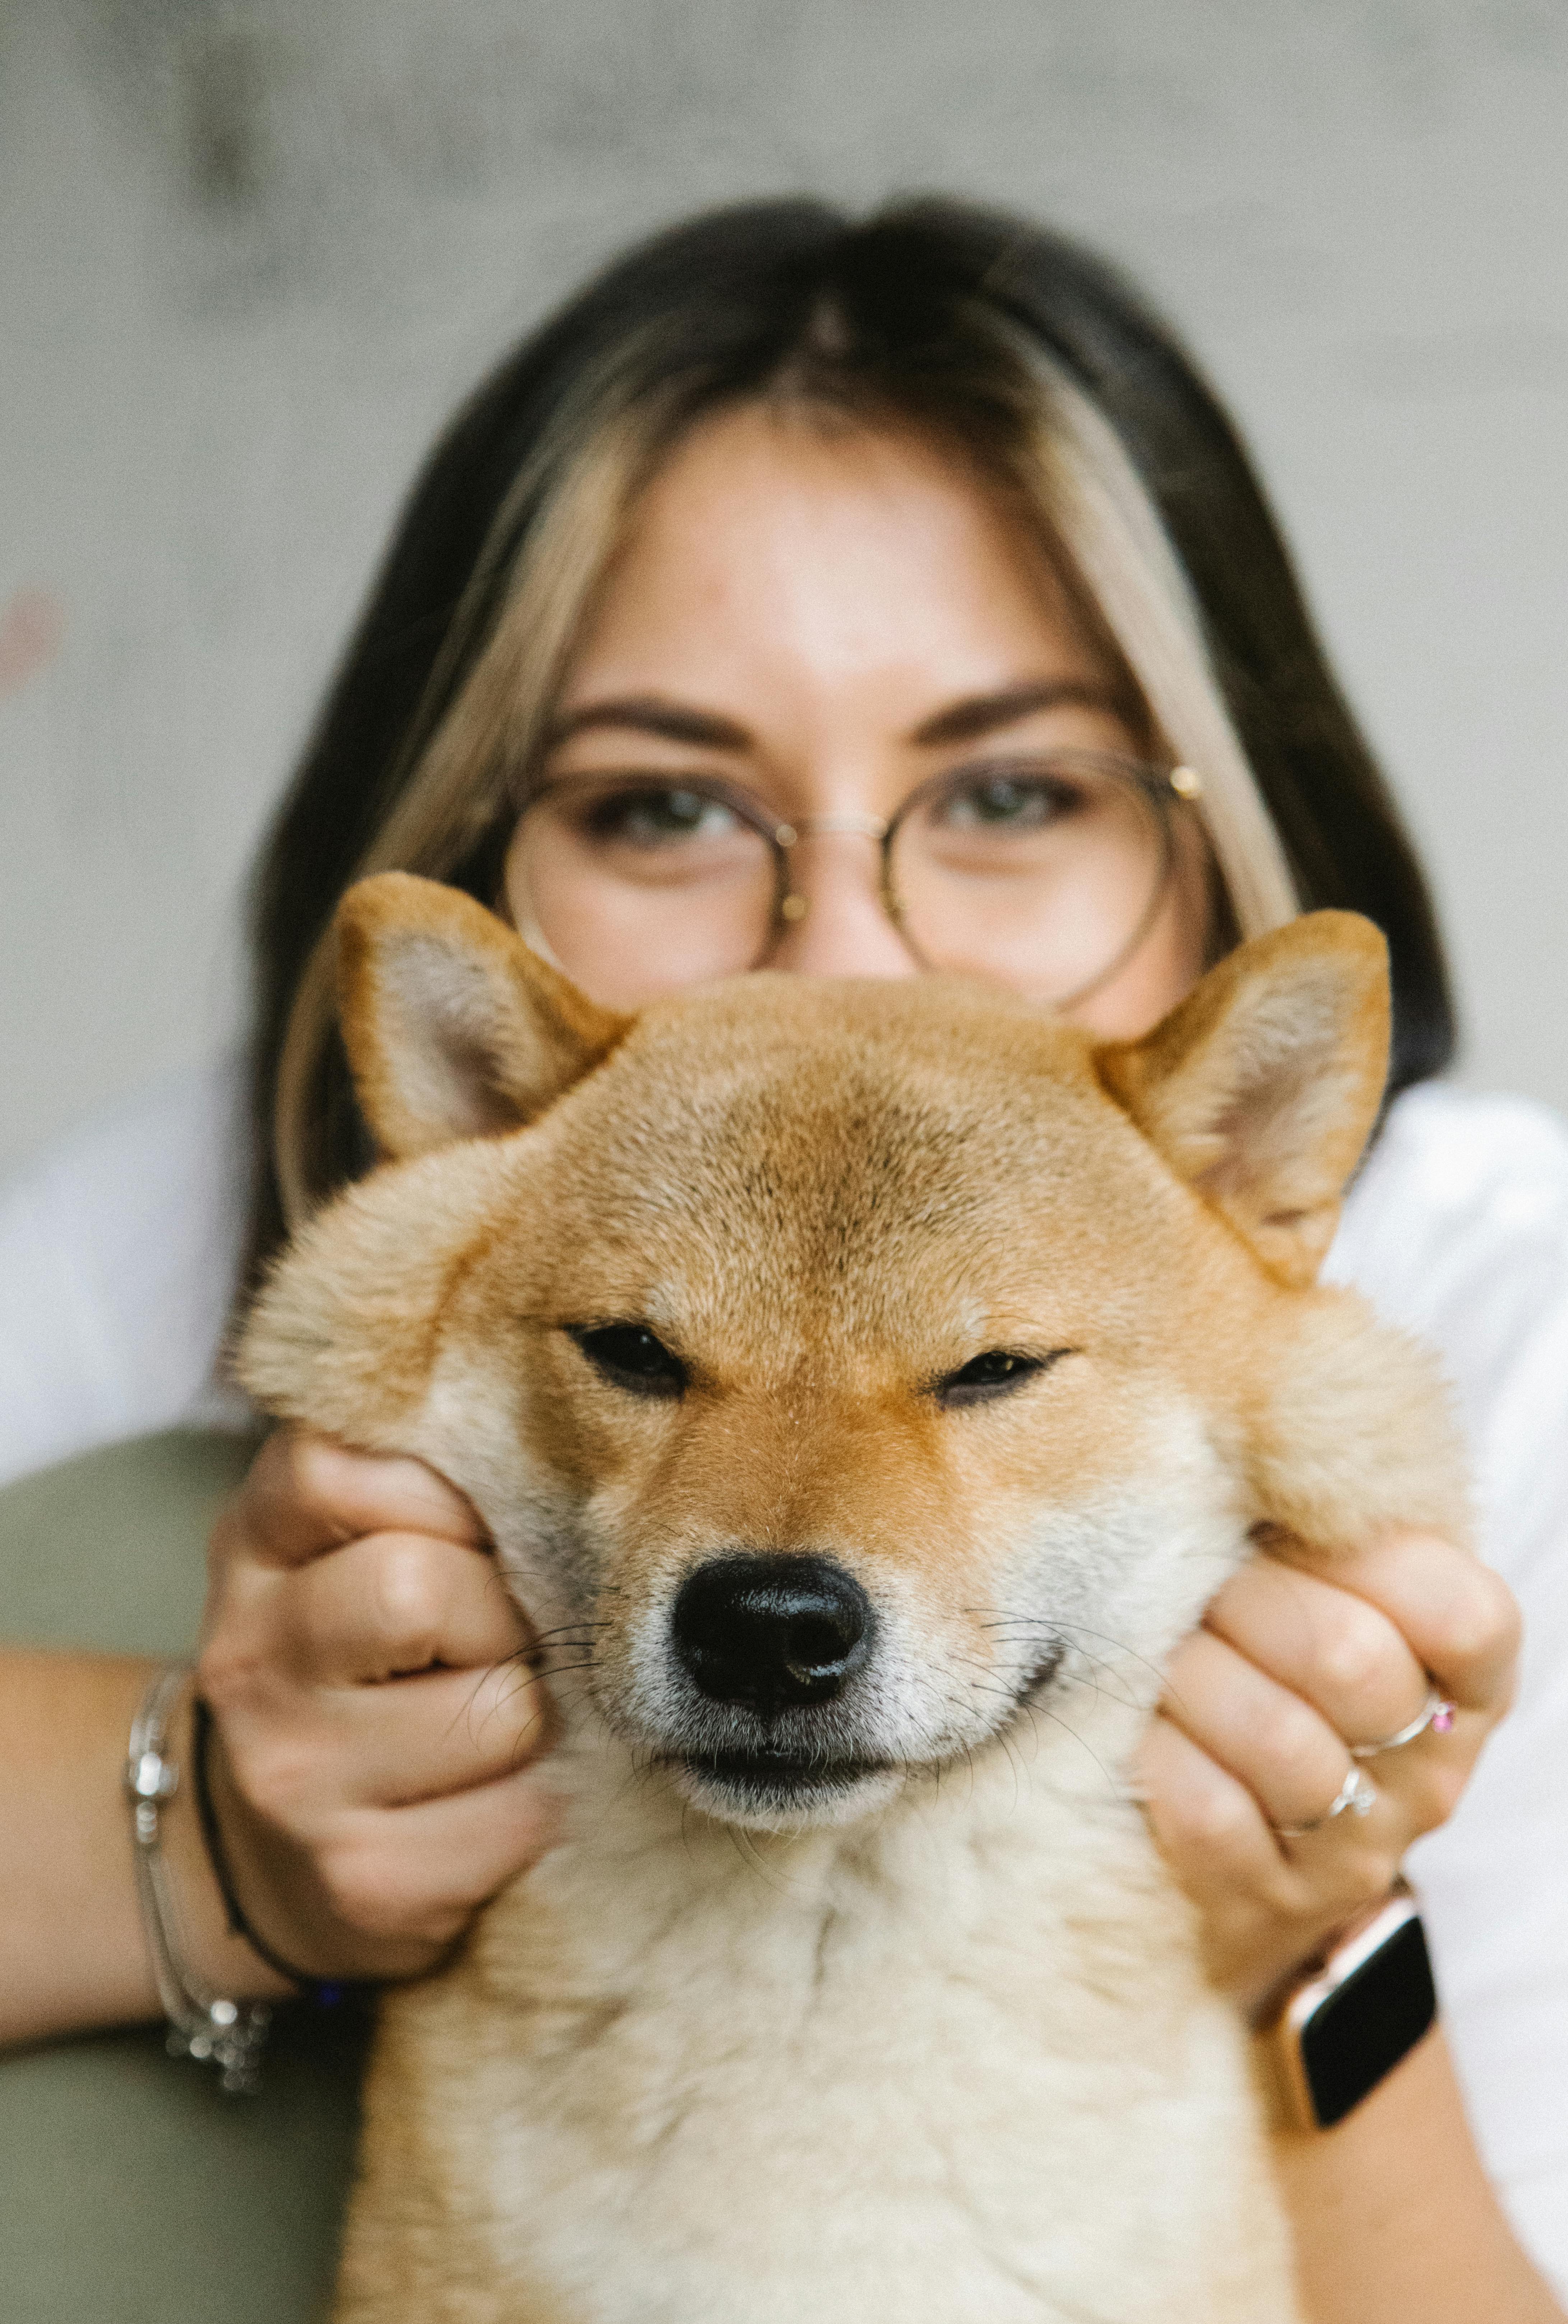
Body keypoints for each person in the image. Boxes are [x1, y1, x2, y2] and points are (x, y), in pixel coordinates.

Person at [1, 200, 1563, 2318]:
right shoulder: (309, 1189)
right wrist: (202, 1829)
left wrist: (1312, 1937)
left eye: (1010, 787)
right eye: (663, 808)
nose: (844, 939)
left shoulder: (1494, 1279)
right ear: (470, 852)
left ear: (1227, 835)